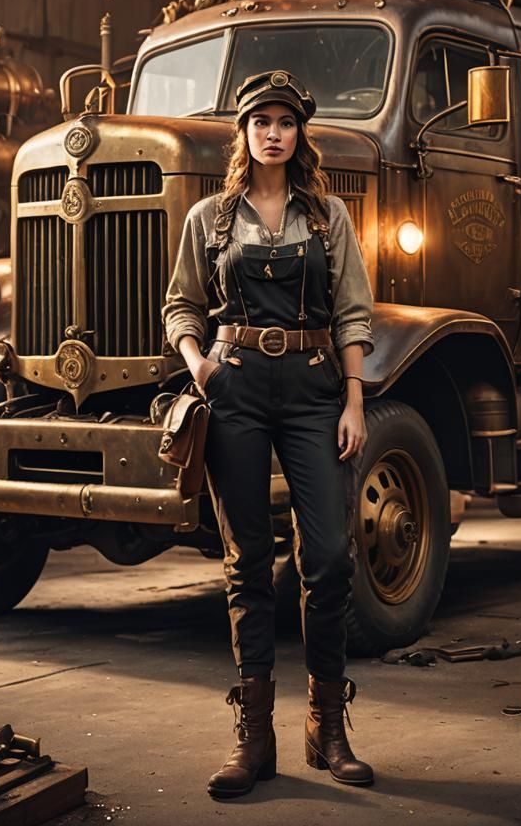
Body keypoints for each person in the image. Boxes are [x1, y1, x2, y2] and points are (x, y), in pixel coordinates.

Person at [162, 70, 375, 799]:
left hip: (316, 390)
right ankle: (254, 736)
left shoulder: (328, 216)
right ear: (245, 134)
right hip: (236, 388)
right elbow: (182, 304)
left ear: (298, 134)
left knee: (331, 558)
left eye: (285, 122)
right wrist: (199, 365)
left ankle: (327, 727)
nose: (274, 133)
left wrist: (354, 400)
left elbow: (352, 310)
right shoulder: (209, 219)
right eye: (262, 122)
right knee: (247, 560)